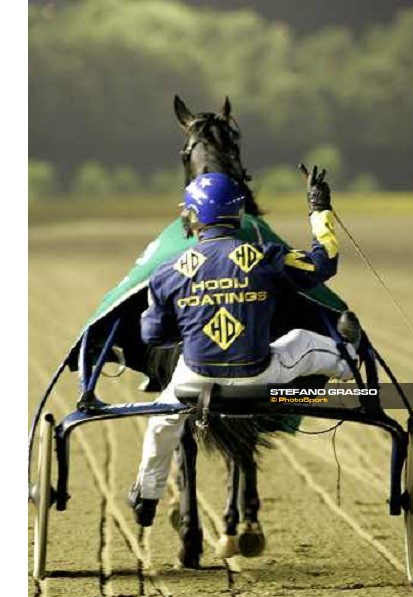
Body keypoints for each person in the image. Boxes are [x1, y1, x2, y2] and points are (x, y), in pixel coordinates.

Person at [129, 165, 358, 526]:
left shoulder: (167, 271)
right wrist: (319, 208)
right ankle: (350, 361)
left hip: (194, 381)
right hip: (260, 377)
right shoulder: (265, 257)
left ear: (192, 216)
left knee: (162, 421)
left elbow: (152, 337)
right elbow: (323, 265)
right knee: (304, 343)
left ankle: (147, 494)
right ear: (237, 213)